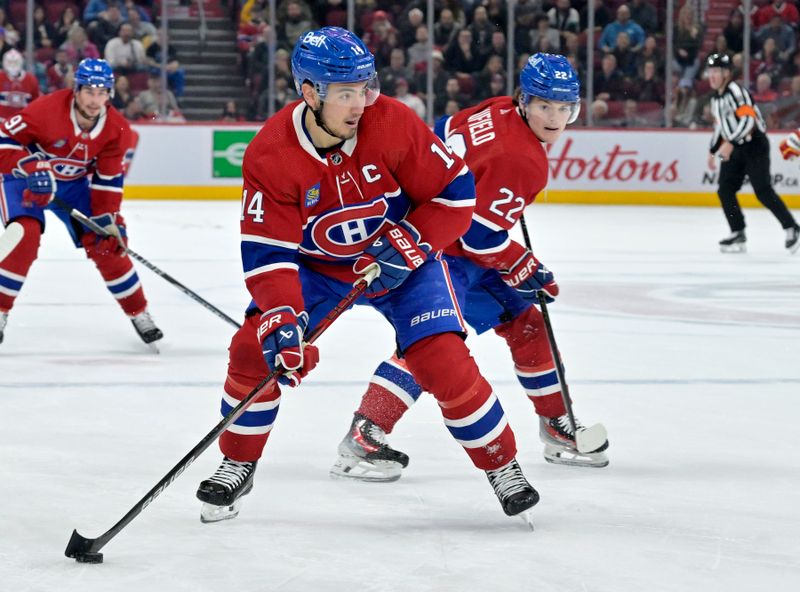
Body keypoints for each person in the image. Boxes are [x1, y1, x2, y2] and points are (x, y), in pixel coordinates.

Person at [195, 27, 539, 524]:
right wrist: (282, 316)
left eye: (365, 88)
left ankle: (502, 466)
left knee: (441, 359)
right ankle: (238, 461)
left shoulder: (393, 122)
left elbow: (456, 195)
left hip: (404, 263)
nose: (361, 103)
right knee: (254, 349)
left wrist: (415, 239)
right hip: (320, 269)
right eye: (345, 93)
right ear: (309, 92)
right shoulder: (270, 154)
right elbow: (268, 251)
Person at [330, 53, 609, 484]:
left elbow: (438, 140)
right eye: (544, 106)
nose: (554, 118)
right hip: (442, 249)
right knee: (431, 343)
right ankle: (364, 435)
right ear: (524, 101)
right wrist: (522, 263)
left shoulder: (494, 108)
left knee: (527, 324)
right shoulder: (525, 162)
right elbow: (477, 237)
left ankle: (557, 426)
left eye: (564, 109)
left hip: (437, 233)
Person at [0, 59, 163, 346]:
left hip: (73, 187)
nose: (95, 100)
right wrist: (28, 166)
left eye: (102, 92)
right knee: (25, 235)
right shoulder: (45, 109)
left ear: (110, 94)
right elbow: (4, 141)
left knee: (107, 244)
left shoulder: (117, 129)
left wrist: (109, 218)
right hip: (26, 178)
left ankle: (139, 312)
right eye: (89, 91)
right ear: (76, 90)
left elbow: (107, 182)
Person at [705, 53, 800, 253]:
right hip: (735, 147)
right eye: (710, 71)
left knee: (763, 191)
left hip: (754, 144)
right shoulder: (715, 100)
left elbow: (749, 122)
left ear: (727, 73)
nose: (711, 76)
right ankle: (737, 231)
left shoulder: (736, 91)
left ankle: (792, 227)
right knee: (725, 189)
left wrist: (730, 143)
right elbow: (720, 128)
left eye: (716, 71)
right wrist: (712, 151)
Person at [0, 50, 40, 122]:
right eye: (10, 62)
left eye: (15, 62)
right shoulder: (1, 77)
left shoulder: (31, 79)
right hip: (2, 121)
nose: (13, 65)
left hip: (22, 123)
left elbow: (35, 102)